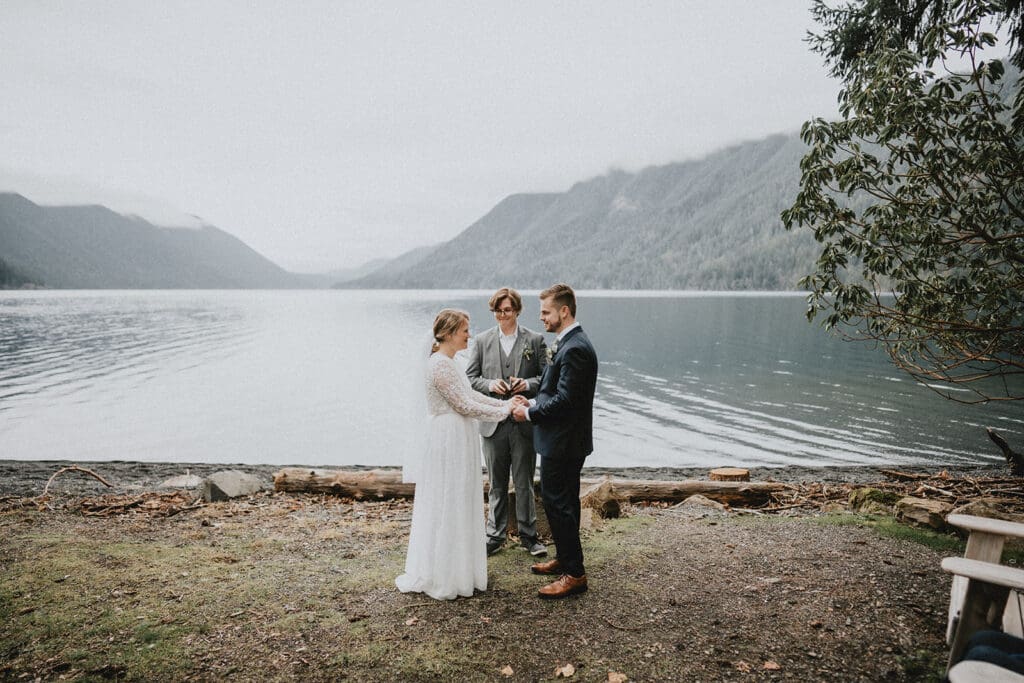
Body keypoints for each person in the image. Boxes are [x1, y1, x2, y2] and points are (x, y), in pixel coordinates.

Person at [396, 308, 527, 600]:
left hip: (459, 436)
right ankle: (444, 574)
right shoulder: (439, 365)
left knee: (459, 496)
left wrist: (503, 404)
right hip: (447, 439)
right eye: (465, 330)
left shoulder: (453, 363)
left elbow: (472, 396)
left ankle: (460, 569)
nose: (469, 334)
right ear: (449, 333)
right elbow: (463, 405)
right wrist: (506, 411)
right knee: (448, 498)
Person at [513, 283, 598, 600]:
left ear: (564, 311)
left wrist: (530, 415)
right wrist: (532, 399)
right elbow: (555, 390)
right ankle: (565, 558)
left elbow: (565, 402)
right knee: (563, 503)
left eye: (546, 312)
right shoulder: (567, 343)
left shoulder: (575, 348)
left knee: (559, 505)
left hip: (564, 442)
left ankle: (575, 574)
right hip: (561, 440)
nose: (542, 318)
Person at [466, 287, 549, 558]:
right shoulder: (480, 341)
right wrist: (491, 384)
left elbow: (546, 379)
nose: (502, 316)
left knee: (524, 481)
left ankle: (529, 536)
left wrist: (526, 383)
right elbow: (471, 378)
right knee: (497, 483)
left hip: (524, 423)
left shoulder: (535, 340)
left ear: (517, 311)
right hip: (492, 424)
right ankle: (494, 536)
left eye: (507, 310)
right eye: (498, 311)